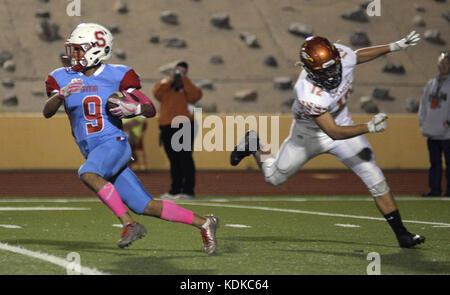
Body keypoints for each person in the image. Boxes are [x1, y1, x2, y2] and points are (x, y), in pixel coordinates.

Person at [230, 31, 425, 248]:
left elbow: (358, 56)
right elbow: (333, 132)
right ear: (308, 69)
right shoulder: (307, 92)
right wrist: (368, 127)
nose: (332, 73)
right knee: (274, 178)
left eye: (333, 66)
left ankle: (403, 235)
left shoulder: (341, 55)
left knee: (375, 178)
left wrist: (395, 46)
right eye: (324, 70)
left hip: (343, 125)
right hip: (309, 135)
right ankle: (254, 144)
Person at [43, 23, 218, 254]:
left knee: (87, 173)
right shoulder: (60, 77)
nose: (73, 55)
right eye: (73, 49)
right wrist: (61, 96)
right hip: (95, 151)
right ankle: (205, 222)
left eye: (79, 49)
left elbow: (149, 108)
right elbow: (47, 112)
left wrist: (133, 109)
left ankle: (129, 224)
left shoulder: (118, 74)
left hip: (114, 144)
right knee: (144, 205)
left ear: (97, 49)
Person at [153, 61, 202, 200]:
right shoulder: (166, 84)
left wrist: (184, 80)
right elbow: (157, 93)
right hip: (166, 125)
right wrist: (171, 80)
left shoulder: (188, 85)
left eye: (183, 71)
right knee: (173, 159)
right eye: (177, 71)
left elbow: (196, 96)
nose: (179, 73)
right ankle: (174, 190)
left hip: (184, 123)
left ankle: (187, 190)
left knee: (185, 157)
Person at [418, 51, 450, 197]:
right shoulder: (431, 84)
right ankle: (435, 190)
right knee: (435, 164)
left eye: (446, 63)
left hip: (448, 133)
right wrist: (423, 122)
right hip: (431, 131)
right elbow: (423, 105)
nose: (443, 66)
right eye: (441, 63)